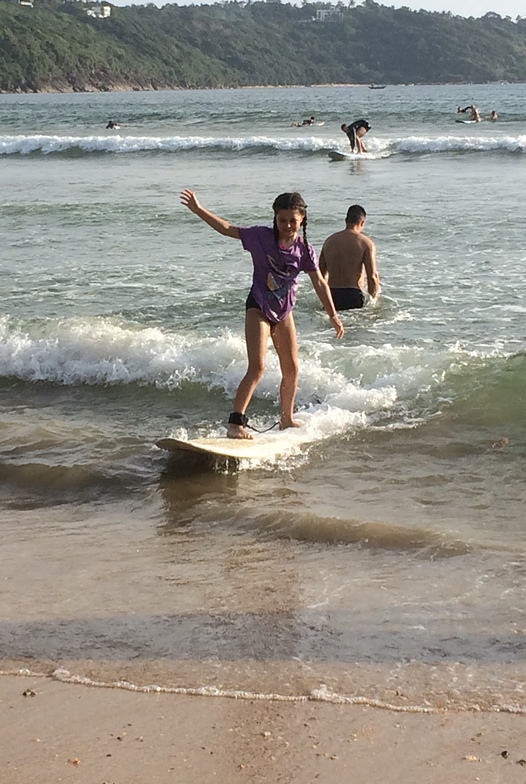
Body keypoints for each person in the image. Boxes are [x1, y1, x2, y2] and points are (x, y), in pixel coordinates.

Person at [180, 189, 344, 439]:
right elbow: (226, 228)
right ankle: (236, 424)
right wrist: (198, 209)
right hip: (258, 306)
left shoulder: (305, 251)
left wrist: (333, 315)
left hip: (284, 311)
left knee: (292, 369)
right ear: (275, 219)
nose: (287, 225)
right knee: (258, 367)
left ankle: (286, 419)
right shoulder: (260, 237)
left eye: (293, 221)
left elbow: (320, 283)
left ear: (302, 221)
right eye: (282, 220)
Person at [319, 204, 380, 311]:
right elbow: (372, 277)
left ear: (346, 220)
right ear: (362, 223)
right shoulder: (365, 243)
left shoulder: (329, 241)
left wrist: (324, 297)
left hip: (332, 294)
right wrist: (374, 302)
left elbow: (320, 273)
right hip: (353, 295)